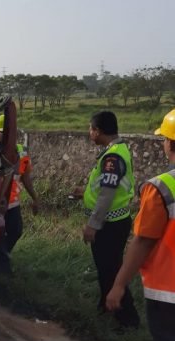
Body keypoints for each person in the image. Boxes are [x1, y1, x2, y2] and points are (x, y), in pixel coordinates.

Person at [106, 109, 175, 341]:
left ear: (167, 142)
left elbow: (143, 241)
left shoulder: (161, 186)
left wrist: (119, 285)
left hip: (168, 294)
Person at [72, 111, 139, 329]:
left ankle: (127, 319)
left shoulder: (112, 157)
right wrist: (85, 192)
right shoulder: (116, 150)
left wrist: (93, 224)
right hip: (114, 221)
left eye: (90, 129)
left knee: (111, 269)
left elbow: (108, 194)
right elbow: (107, 187)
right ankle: (105, 307)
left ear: (98, 131)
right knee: (105, 268)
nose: (89, 133)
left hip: (110, 224)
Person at [0, 114, 40, 274]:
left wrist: (35, 198)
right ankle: (2, 268)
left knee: (16, 231)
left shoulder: (22, 153)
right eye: (3, 133)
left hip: (13, 203)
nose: (7, 137)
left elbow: (25, 177)